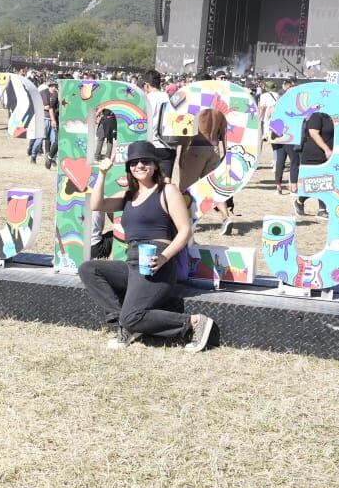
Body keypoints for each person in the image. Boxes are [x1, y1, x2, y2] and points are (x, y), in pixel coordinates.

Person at [79, 141, 214, 352]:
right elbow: (96, 205)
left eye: (145, 161)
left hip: (157, 261)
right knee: (89, 269)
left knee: (133, 316)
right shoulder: (128, 196)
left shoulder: (167, 191)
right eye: (134, 162)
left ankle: (194, 322)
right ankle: (123, 325)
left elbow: (185, 231)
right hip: (133, 261)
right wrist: (102, 173)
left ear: (155, 165)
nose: (139, 166)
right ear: (129, 168)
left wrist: (164, 257)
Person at [178, 108, 232, 234]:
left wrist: (182, 154)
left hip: (196, 147)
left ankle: (187, 221)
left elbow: (188, 131)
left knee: (186, 187)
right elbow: (224, 132)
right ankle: (225, 217)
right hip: (214, 149)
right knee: (213, 188)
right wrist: (226, 152)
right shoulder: (219, 111)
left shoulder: (198, 105)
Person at [292, 110, 334, 219]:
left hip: (329, 155)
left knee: (325, 180)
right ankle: (305, 202)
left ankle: (319, 208)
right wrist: (326, 149)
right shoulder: (316, 115)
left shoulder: (332, 116)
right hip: (314, 153)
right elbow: (313, 133)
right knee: (314, 183)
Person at [142, 69, 175, 183]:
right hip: (168, 146)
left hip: (152, 145)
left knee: (149, 184)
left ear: (146, 85)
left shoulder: (147, 99)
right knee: (166, 183)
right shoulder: (170, 98)